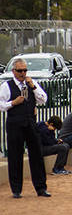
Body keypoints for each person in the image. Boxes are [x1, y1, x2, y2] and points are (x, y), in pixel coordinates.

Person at [1, 57, 50, 197]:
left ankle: (41, 188)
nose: (23, 73)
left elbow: (43, 99)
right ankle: (16, 189)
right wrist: (12, 103)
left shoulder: (31, 83)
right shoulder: (6, 86)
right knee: (15, 155)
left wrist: (33, 87)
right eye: (20, 71)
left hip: (30, 122)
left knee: (37, 154)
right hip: (15, 123)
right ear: (14, 71)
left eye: (25, 70)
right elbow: (0, 104)